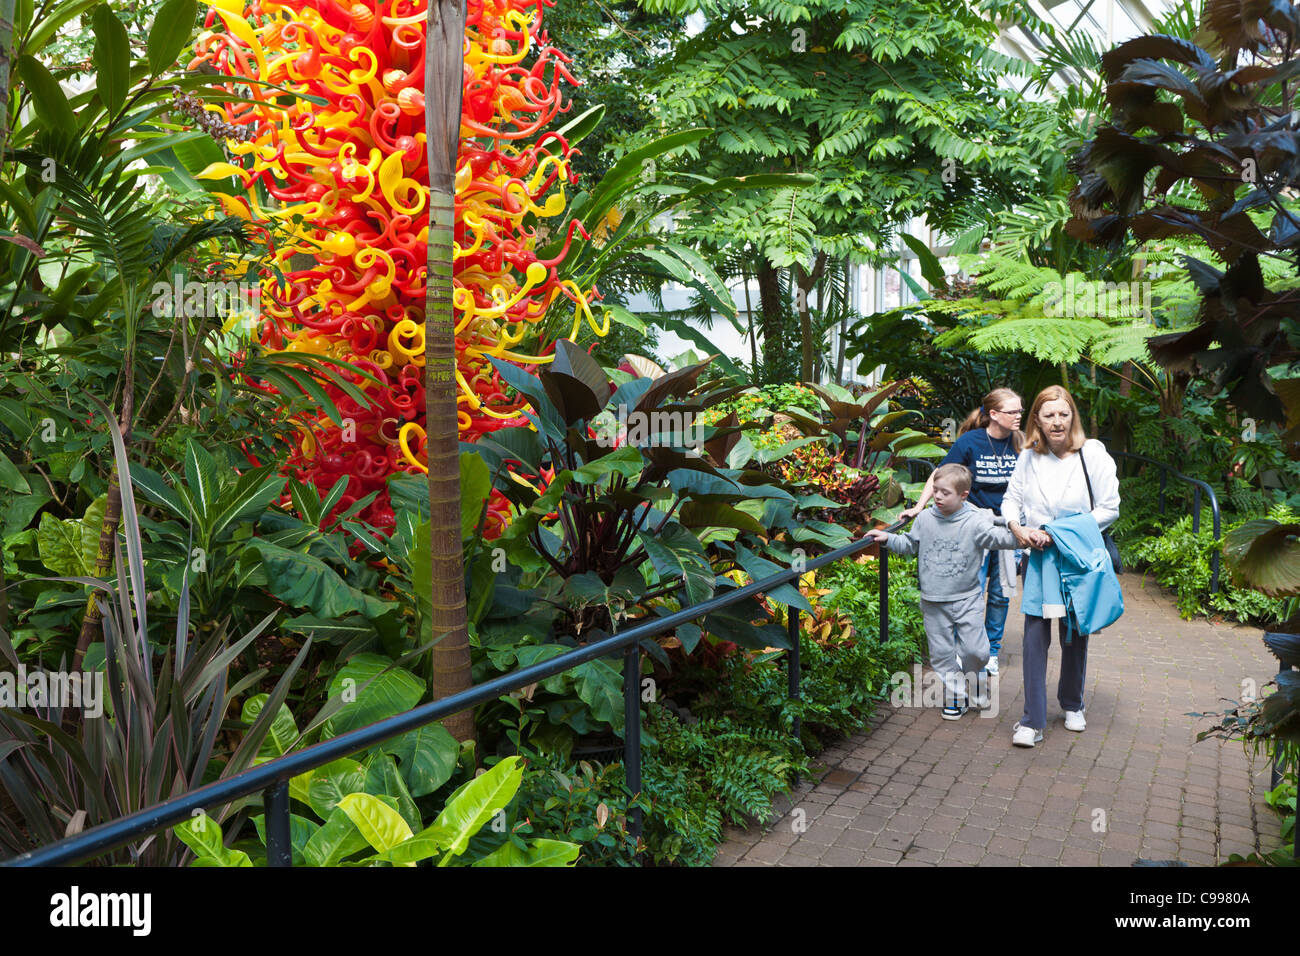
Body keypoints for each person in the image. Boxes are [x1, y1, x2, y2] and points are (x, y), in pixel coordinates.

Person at [1000, 385, 1119, 748]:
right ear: (1036, 419)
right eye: (1048, 415)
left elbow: (1110, 507)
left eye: (1063, 414)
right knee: (1035, 635)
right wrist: (1017, 527)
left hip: (1076, 553)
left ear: (1073, 417)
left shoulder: (1092, 455)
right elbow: (1011, 500)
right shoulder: (1028, 456)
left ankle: (1072, 702)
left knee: (1074, 633)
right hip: (1038, 558)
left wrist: (1056, 532)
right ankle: (1031, 720)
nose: (1057, 422)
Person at [869, 463, 1018, 720]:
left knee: (976, 652)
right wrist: (888, 539)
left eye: (944, 492)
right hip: (933, 600)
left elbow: (999, 539)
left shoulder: (974, 521)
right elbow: (910, 544)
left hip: (967, 599)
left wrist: (1025, 535)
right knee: (942, 655)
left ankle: (977, 679)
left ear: (963, 495)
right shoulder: (926, 518)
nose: (937, 496)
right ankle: (956, 696)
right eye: (935, 490)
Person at [902, 388, 1024, 676]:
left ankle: (991, 651)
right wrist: (919, 506)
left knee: (1000, 593)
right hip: (975, 526)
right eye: (1013, 411)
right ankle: (966, 649)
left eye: (1021, 411)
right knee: (971, 590)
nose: (1019, 416)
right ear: (994, 414)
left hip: (1008, 526)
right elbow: (942, 473)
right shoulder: (971, 441)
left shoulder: (1020, 443)